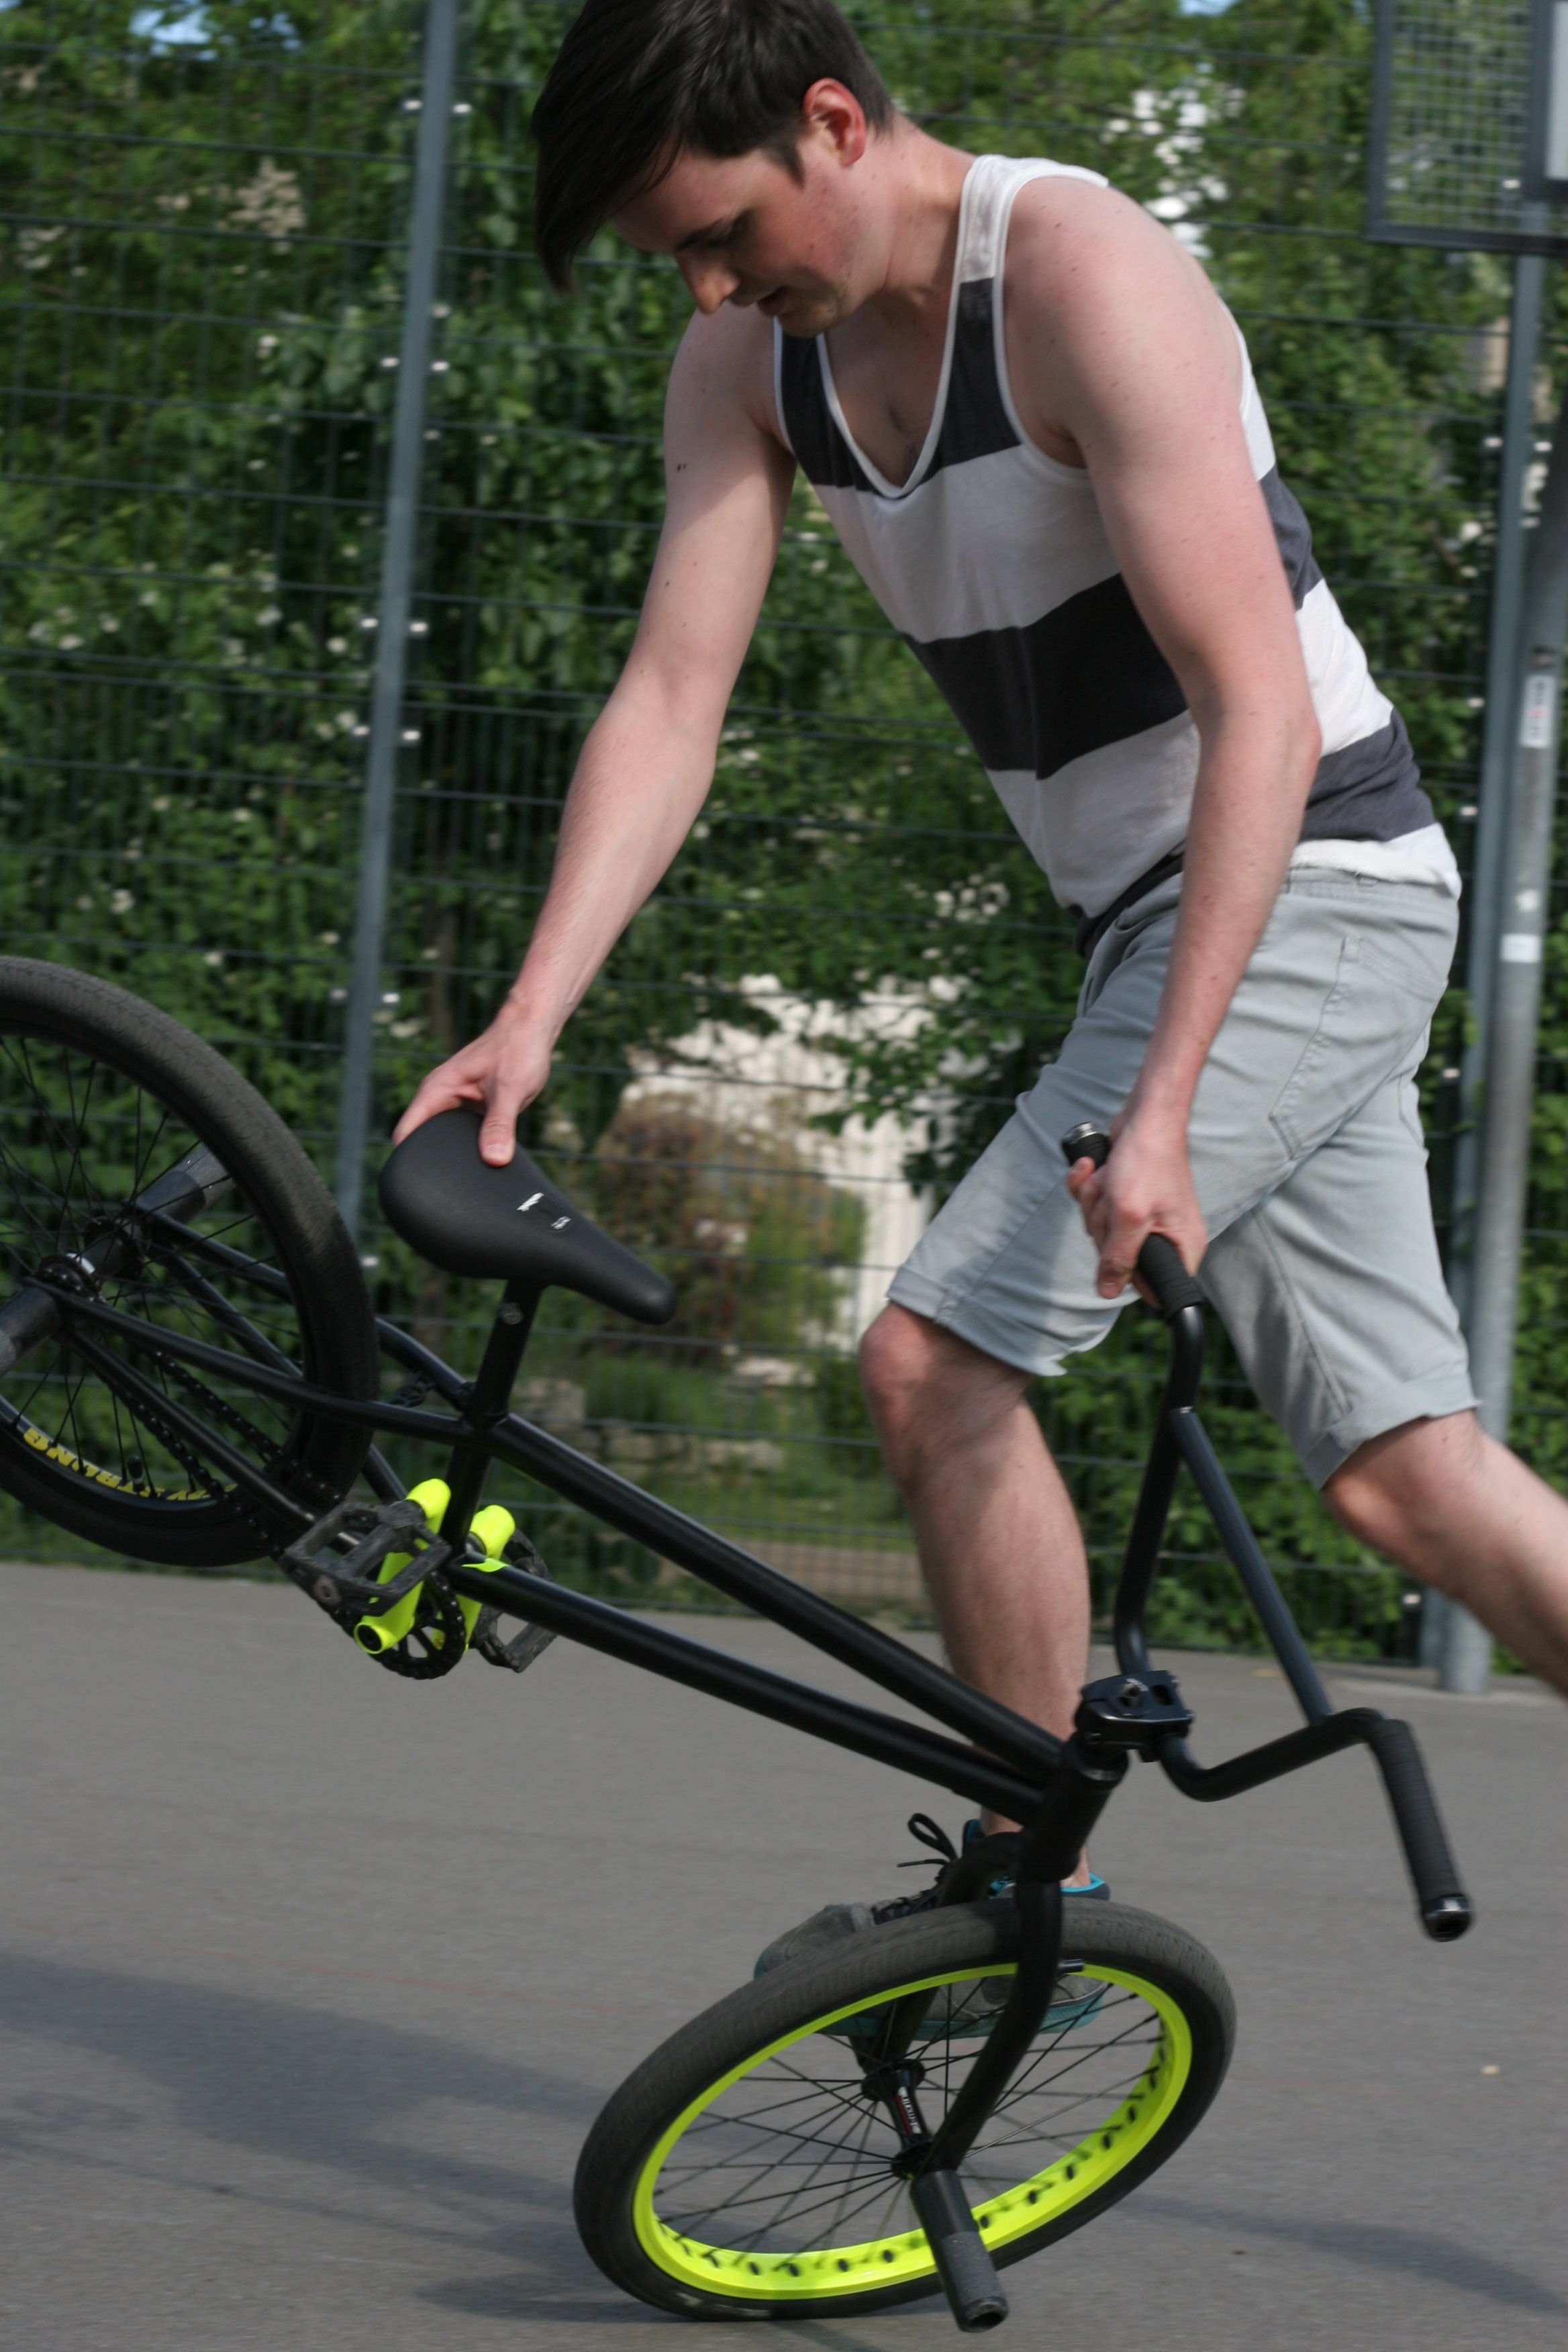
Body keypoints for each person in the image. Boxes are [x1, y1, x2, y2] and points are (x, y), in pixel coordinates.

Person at [395, 0, 1568, 1888]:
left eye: (720, 233)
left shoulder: (1083, 277)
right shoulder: (753, 363)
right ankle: (1037, 1920)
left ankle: (1030, 1916)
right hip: (1173, 926)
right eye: (668, 257)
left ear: (834, 122)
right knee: (1405, 1483)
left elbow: (1258, 713)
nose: (706, 289)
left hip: (1310, 882)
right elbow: (674, 699)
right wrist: (531, 1013)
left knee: (935, 1370)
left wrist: (1163, 1107)